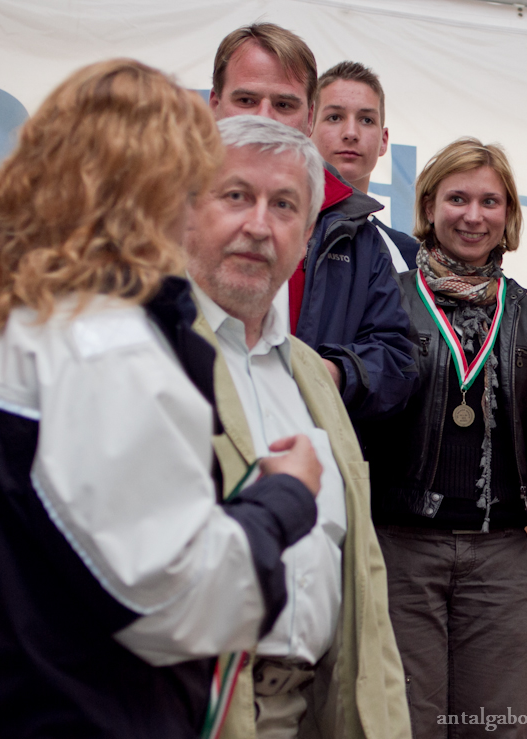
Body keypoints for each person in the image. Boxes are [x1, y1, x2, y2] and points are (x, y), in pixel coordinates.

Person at [0, 59, 322, 739]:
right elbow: (180, 601)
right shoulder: (103, 347)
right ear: (161, 190)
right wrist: (282, 499)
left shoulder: (2, 323)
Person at [184, 115, 410, 739]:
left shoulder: (313, 377)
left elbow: (361, 584)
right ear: (187, 211)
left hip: (309, 710)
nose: (260, 226)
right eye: (236, 196)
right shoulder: (144, 352)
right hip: (189, 710)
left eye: (284, 205)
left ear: (308, 236)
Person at [364, 138, 527, 738]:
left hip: (499, 557)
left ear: (508, 214)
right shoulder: (387, 298)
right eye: (457, 199)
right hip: (401, 548)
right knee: (405, 727)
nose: (474, 215)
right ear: (429, 207)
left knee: (491, 727)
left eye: (490, 201)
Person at [209, 23, 416, 421]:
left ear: (307, 119)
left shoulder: (355, 230)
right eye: (247, 100)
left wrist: (325, 375)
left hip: (306, 444)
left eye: (284, 105)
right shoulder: (162, 212)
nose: (265, 118)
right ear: (215, 104)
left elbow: (396, 361)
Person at [312, 60, 419, 271]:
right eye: (334, 117)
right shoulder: (275, 231)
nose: (351, 133)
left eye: (366, 120)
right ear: (308, 128)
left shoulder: (408, 257)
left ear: (384, 140)